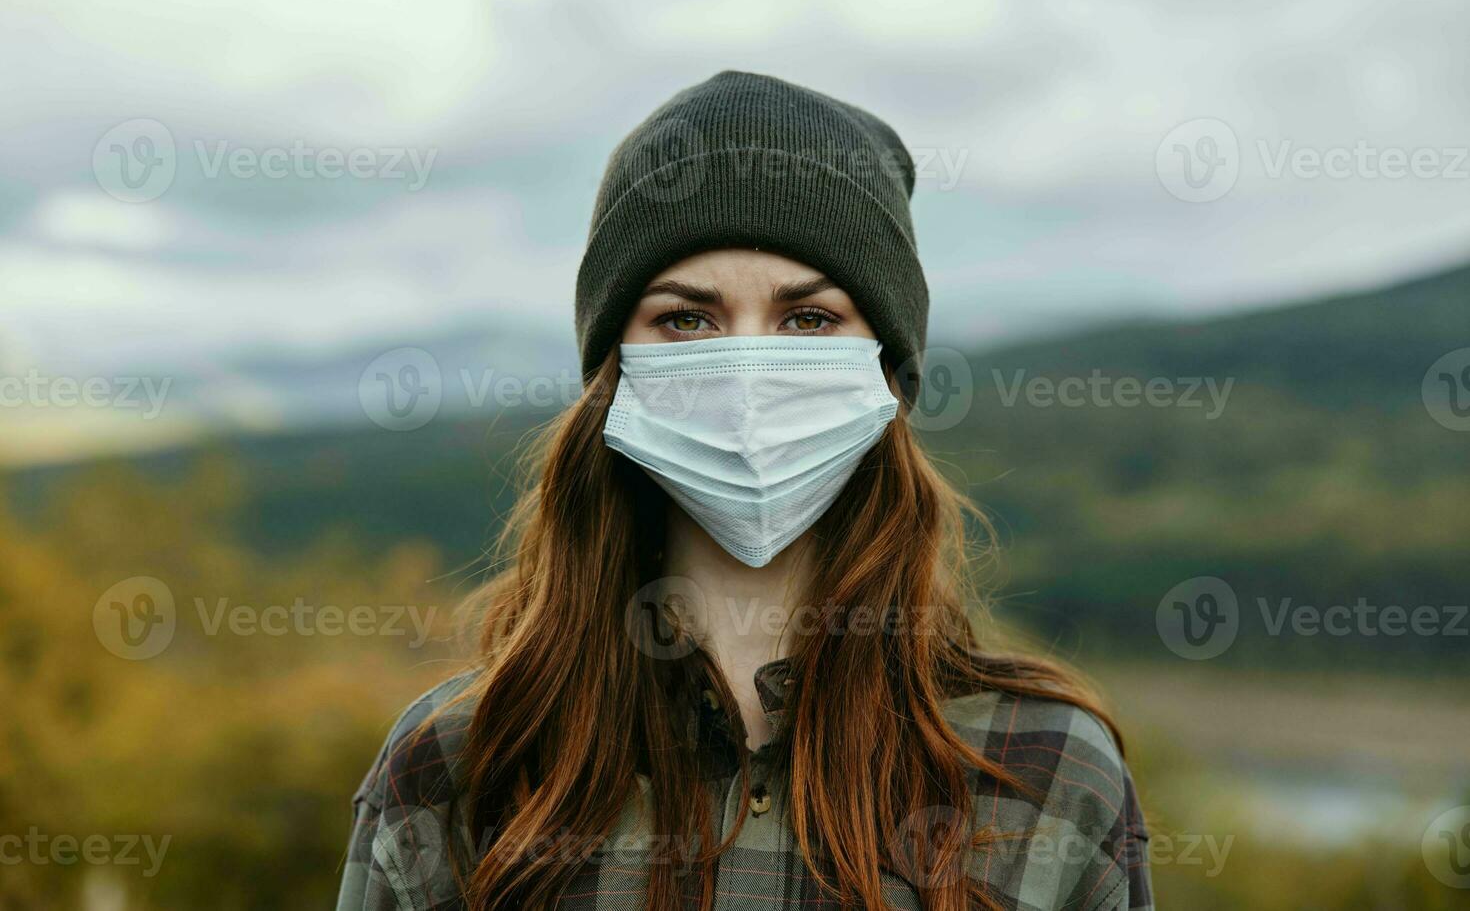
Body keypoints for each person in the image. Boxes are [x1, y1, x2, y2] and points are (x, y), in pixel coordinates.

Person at [336, 70, 1153, 911]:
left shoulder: (1043, 771)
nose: (748, 373)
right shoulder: (465, 763)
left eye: (809, 320)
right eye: (686, 318)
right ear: (616, 369)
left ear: (885, 373)